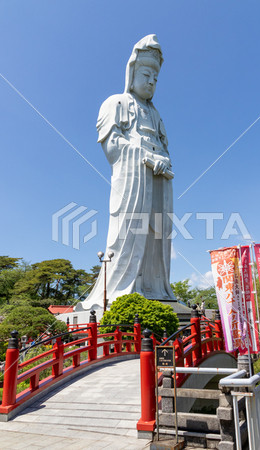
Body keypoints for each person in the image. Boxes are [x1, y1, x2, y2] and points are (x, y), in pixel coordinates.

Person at [76, 35, 175, 311]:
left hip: (157, 183)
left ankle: (156, 289)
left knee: (158, 234)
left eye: (156, 78)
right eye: (147, 74)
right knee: (129, 233)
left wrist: (162, 161)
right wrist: (147, 157)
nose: (152, 81)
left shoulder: (156, 116)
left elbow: (165, 149)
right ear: (132, 73)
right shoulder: (115, 103)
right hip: (133, 182)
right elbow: (113, 146)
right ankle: (120, 291)